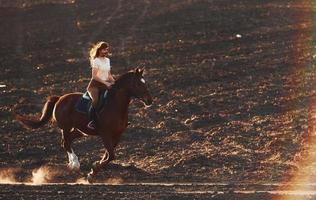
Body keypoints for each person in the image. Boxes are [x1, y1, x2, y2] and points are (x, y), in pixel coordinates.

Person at [86, 41, 115, 129]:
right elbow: (94, 76)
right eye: (104, 50)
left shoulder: (107, 60)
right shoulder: (96, 61)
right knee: (96, 100)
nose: (106, 51)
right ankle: (92, 121)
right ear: (99, 50)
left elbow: (109, 75)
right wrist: (106, 83)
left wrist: (114, 82)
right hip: (95, 85)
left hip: (105, 84)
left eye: (106, 49)